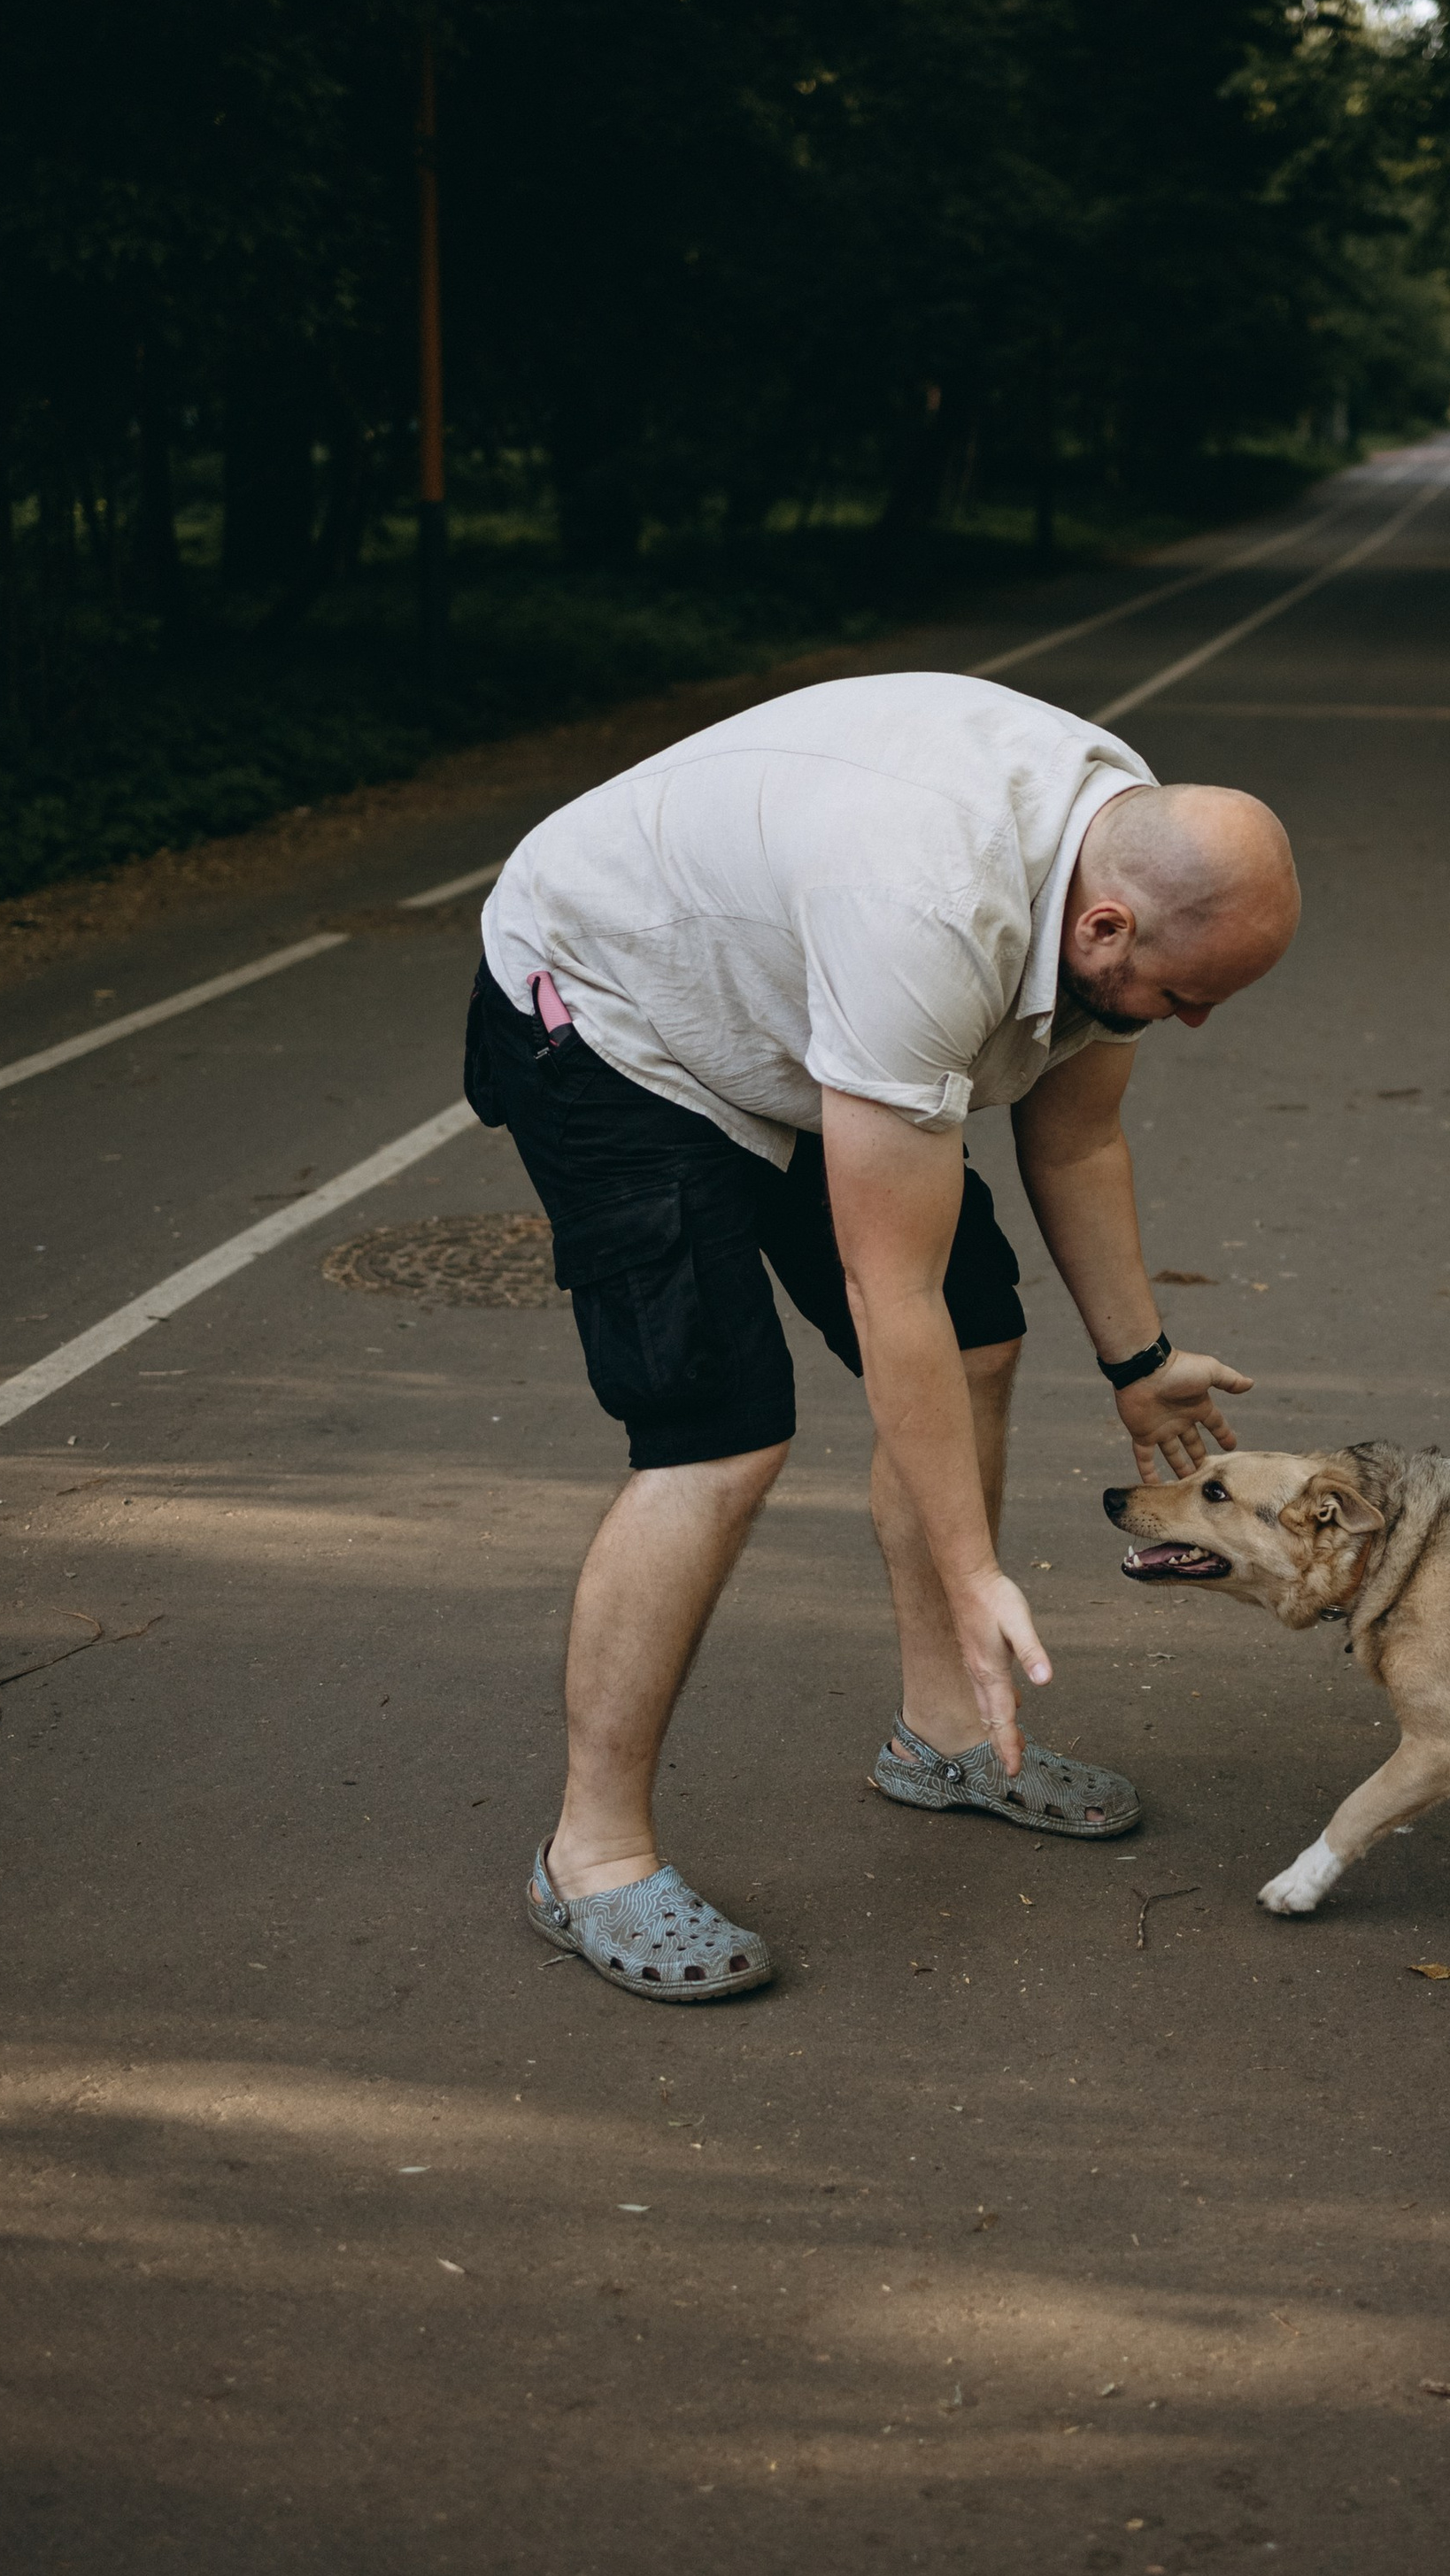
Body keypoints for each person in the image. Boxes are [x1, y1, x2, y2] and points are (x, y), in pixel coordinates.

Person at [464, 669, 1300, 2003]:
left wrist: (1142, 1364)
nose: (1194, 1021)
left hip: (791, 1015)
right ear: (1103, 921)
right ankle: (592, 1855)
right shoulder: (928, 908)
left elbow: (1075, 1130)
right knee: (720, 1431)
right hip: (612, 1012)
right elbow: (881, 1282)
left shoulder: (1121, 843)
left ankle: (947, 1737)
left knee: (980, 1332)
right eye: (1185, 994)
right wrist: (978, 1572)